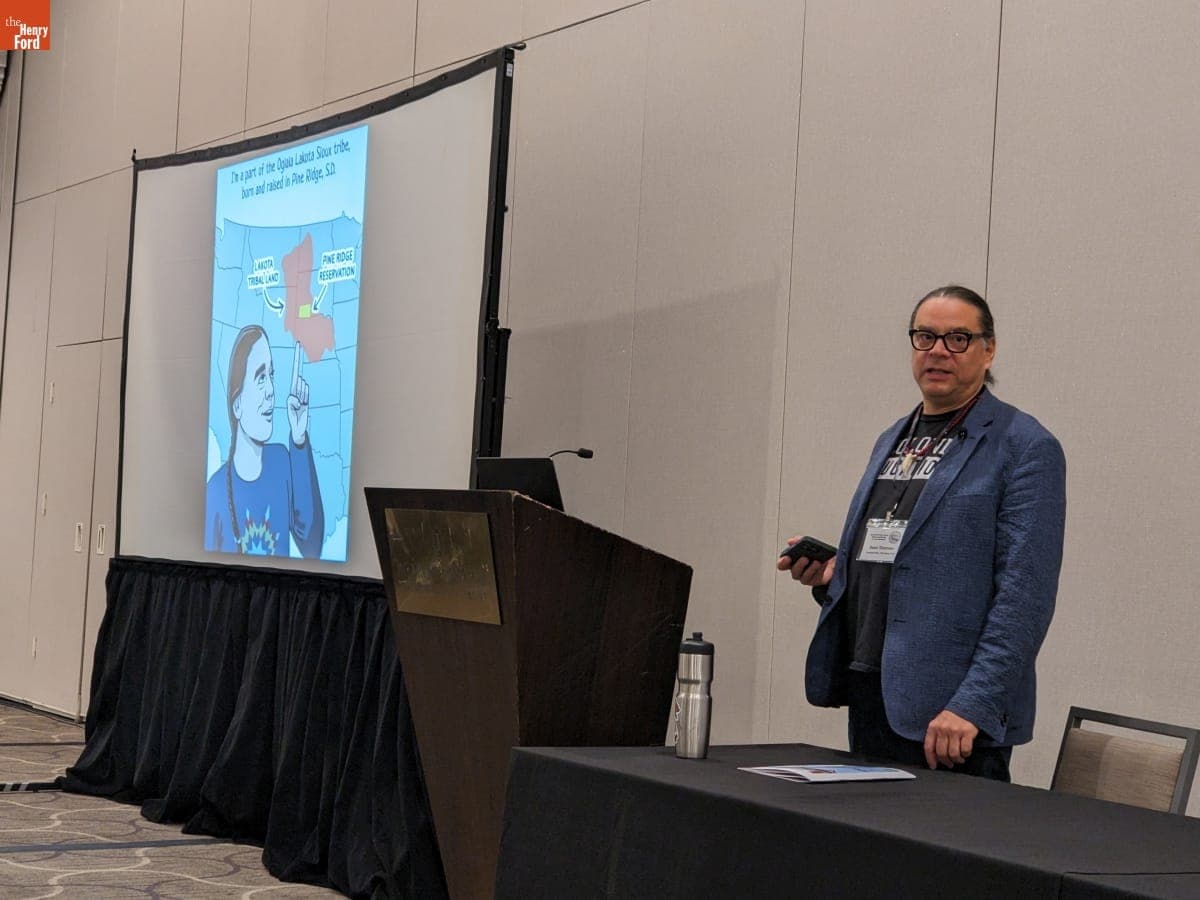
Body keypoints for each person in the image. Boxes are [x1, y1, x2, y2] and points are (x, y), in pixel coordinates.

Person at [778, 285, 1065, 781]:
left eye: (957, 338)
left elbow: (1025, 598)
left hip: (950, 721)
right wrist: (834, 577)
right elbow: (902, 560)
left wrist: (973, 704)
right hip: (874, 692)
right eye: (925, 337)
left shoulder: (1024, 446)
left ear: (988, 348)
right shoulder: (894, 437)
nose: (937, 351)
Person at [205, 324, 324, 557]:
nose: (271, 390)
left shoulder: (281, 461)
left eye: (271, 375)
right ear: (236, 405)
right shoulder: (216, 489)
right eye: (260, 377)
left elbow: (312, 545)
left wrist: (299, 439)